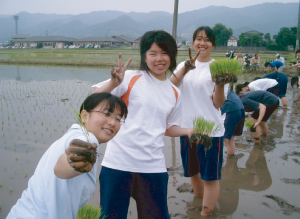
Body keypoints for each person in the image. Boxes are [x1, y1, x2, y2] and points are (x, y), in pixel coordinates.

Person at [91, 30, 194, 219]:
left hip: (153, 167)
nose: (159, 59)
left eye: (164, 53)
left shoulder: (174, 92)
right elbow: (92, 101)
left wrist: (188, 130)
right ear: (144, 57)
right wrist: (114, 83)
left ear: (171, 56)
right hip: (118, 165)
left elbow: (167, 127)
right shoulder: (130, 78)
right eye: (153, 53)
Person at [6, 92, 128, 219]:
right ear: (84, 116)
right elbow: (61, 168)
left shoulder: (69, 136)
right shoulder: (87, 139)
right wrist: (74, 162)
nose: (113, 122)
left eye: (118, 118)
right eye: (107, 114)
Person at [170, 26, 229, 217]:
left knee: (210, 176)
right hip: (187, 127)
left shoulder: (218, 67)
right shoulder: (184, 65)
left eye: (207, 40)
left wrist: (220, 83)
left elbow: (219, 103)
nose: (202, 43)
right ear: (193, 42)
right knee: (192, 171)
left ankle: (205, 213)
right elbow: (170, 86)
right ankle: (198, 199)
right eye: (198, 39)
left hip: (210, 131)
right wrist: (187, 67)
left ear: (213, 44)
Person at [221, 89, 245, 156]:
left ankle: (229, 160)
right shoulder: (225, 86)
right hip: (240, 109)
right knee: (230, 138)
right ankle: (231, 157)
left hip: (231, 110)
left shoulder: (215, 86)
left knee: (228, 138)